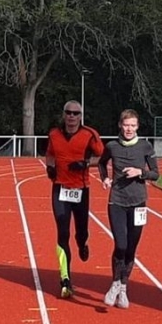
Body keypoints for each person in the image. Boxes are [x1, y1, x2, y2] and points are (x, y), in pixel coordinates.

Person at [97, 109, 159, 309]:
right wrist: (105, 178)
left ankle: (123, 288)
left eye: (133, 125)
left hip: (139, 203)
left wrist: (140, 172)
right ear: (120, 126)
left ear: (138, 126)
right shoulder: (112, 146)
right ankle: (115, 283)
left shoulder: (145, 146)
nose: (129, 129)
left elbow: (156, 174)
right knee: (121, 245)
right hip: (117, 202)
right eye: (126, 125)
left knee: (131, 248)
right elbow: (101, 162)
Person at [45, 100, 104, 299]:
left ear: (81, 116)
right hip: (60, 189)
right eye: (68, 113)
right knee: (62, 232)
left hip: (81, 190)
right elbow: (50, 154)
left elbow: (101, 157)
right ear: (63, 114)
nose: (71, 117)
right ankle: (65, 279)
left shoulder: (89, 135)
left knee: (81, 231)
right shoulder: (54, 134)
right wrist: (50, 167)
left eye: (75, 113)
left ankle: (82, 243)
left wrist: (86, 163)